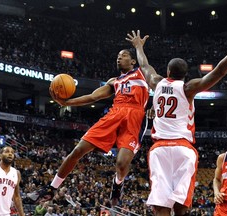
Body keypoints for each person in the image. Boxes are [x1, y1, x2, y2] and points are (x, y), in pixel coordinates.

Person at [126, 17, 227, 216]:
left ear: (167, 72)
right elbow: (220, 71)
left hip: (159, 149)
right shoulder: (188, 88)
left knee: (160, 205)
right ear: (185, 74)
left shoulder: (157, 82)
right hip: (183, 148)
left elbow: (144, 65)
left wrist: (139, 46)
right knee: (181, 204)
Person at [35, 49, 149, 205]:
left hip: (135, 116)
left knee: (122, 164)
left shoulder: (142, 73)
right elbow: (93, 96)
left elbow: (147, 65)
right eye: (117, 56)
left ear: (133, 61)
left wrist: (138, 46)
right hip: (115, 113)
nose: (119, 58)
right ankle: (52, 188)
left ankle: (117, 183)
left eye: (123, 55)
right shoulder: (113, 81)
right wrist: (67, 102)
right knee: (78, 150)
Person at [0, 146, 25, 216]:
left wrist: (22, 214)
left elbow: (16, 196)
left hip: (6, 213)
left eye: (12, 153)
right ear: (0, 155)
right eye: (7, 152)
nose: (10, 154)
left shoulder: (16, 173)